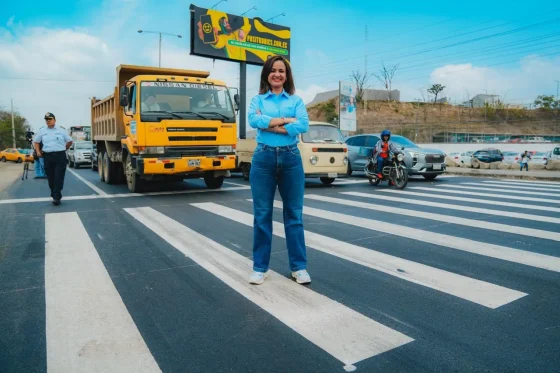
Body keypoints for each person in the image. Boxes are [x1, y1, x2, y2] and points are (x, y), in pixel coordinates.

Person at [247, 55, 310, 285]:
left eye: (281, 71)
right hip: (263, 158)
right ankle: (260, 267)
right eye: (273, 70)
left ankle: (299, 267)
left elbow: (303, 125)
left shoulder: (296, 100)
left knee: (294, 215)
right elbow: (253, 120)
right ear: (267, 74)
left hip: (291, 159)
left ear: (287, 75)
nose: (277, 74)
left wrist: (271, 124)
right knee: (262, 215)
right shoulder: (257, 99)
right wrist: (285, 121)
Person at [33, 113, 73, 205]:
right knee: (50, 177)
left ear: (55, 120)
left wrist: (64, 149)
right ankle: (54, 192)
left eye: (50, 119)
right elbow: (36, 142)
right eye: (46, 119)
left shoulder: (61, 130)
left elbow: (70, 141)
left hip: (60, 156)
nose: (48, 120)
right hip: (48, 156)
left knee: (58, 177)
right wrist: (38, 152)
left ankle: (56, 197)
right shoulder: (42, 131)